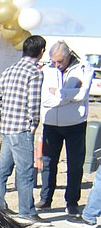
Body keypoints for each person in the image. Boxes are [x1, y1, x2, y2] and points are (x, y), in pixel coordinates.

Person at [0, 35, 46, 223]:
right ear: (41, 51)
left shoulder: (10, 69)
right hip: (21, 129)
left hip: (6, 127)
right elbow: (34, 103)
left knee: (3, 168)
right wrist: (32, 125)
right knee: (25, 172)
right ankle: (27, 211)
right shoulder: (35, 72)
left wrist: (6, 110)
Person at [38, 41, 94, 215]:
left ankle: (72, 201)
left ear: (69, 56)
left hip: (75, 124)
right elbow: (45, 98)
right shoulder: (47, 70)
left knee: (74, 165)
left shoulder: (84, 69)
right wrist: (69, 94)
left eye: (60, 61)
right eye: (54, 61)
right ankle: (46, 199)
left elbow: (83, 94)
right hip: (51, 124)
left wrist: (59, 93)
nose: (57, 65)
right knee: (47, 163)